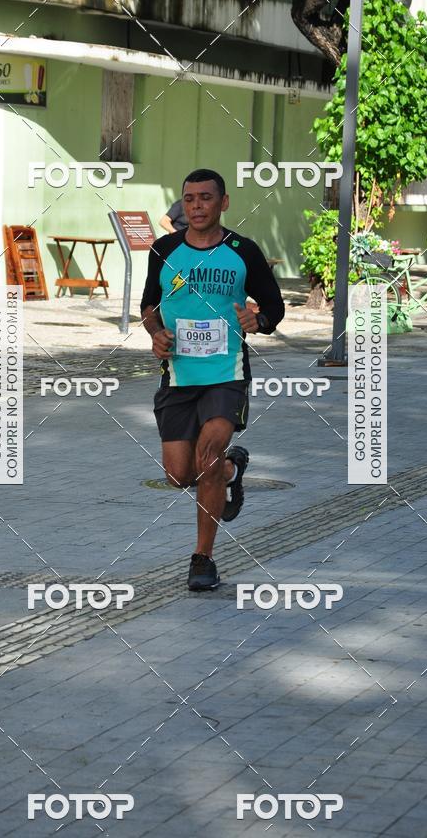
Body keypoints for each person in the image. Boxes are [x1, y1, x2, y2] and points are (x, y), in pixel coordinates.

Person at [140, 169, 285, 591]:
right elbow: (149, 306)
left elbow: (274, 307)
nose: (197, 206)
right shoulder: (164, 250)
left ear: (223, 203)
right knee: (179, 476)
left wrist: (257, 320)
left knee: (206, 456)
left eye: (205, 198)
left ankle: (202, 559)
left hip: (227, 375)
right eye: (189, 199)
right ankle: (230, 469)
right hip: (178, 376)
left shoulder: (243, 251)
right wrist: (156, 333)